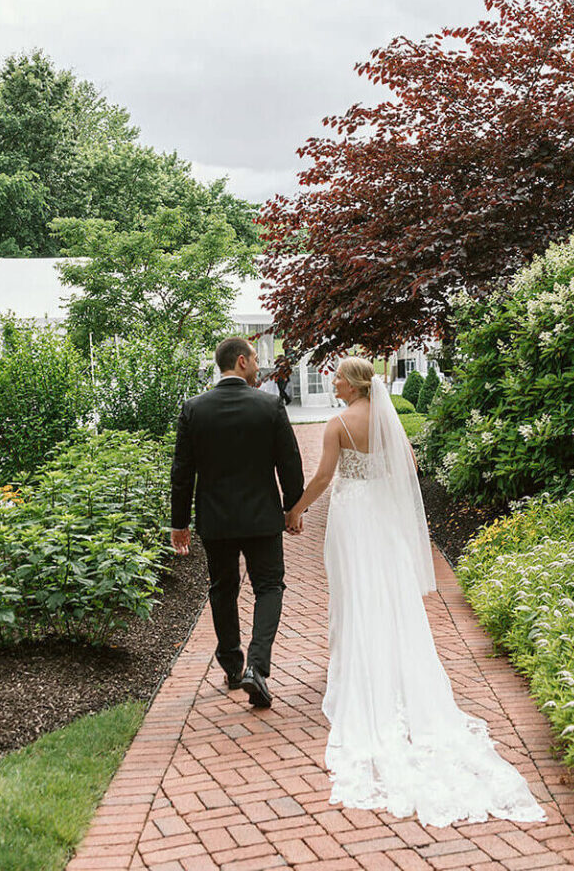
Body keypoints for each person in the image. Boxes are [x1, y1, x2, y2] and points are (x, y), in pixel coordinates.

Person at [285, 357, 546, 827]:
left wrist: (295, 511)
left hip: (351, 517)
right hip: (380, 518)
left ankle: (363, 670)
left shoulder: (338, 423)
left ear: (355, 383)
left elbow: (324, 477)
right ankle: (395, 666)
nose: (334, 382)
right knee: (387, 593)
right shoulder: (385, 419)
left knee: (356, 593)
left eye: (339, 377)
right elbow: (408, 465)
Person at [170, 337, 304, 708]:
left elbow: (182, 473)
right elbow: (289, 463)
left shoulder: (194, 409)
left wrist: (178, 522)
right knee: (269, 587)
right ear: (241, 362)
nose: (259, 366)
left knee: (223, 588)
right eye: (256, 360)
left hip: (216, 520)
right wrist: (293, 509)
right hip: (262, 517)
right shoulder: (269, 405)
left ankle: (232, 666)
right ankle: (257, 668)